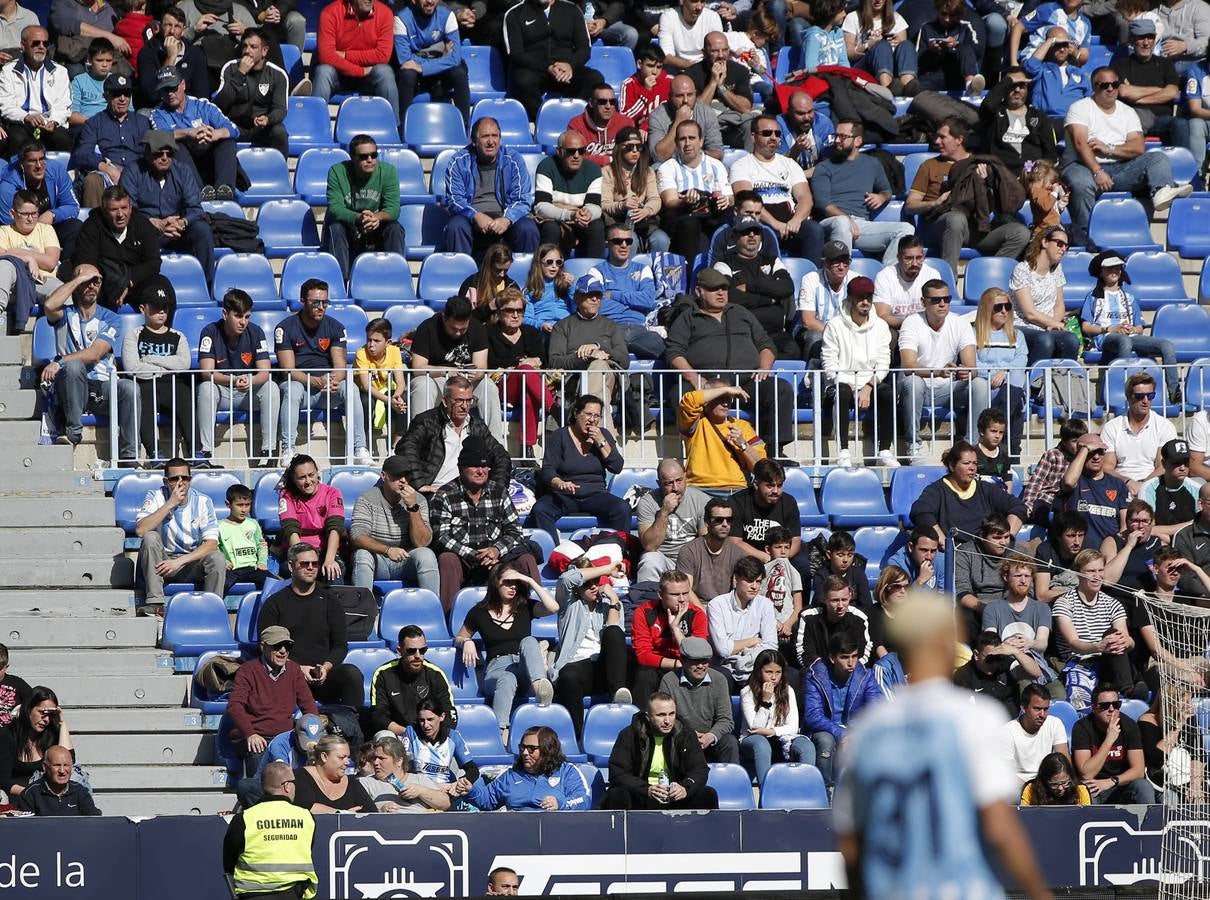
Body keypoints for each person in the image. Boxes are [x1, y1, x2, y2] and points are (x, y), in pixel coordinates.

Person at [834, 590, 1052, 899]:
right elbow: (998, 825)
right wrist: (1039, 893)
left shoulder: (868, 730)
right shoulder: (972, 717)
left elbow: (851, 843)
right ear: (946, 638)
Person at [667, 269, 797, 462]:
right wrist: (694, 378)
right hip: (708, 386)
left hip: (745, 384)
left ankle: (775, 452)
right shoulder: (687, 317)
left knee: (781, 389)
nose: (721, 293)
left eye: (724, 288)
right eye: (713, 289)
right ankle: (696, 448)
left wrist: (764, 367)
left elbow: (766, 344)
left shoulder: (741, 313)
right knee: (681, 394)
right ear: (699, 291)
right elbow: (673, 351)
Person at [1062, 65, 1191, 248]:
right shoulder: (1080, 108)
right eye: (1104, 85)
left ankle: (1161, 190)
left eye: (1115, 84)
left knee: (1157, 158)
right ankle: (1083, 236)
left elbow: (1138, 147)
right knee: (1081, 182)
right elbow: (1081, 143)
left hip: (1120, 168)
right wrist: (1097, 171)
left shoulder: (1128, 112)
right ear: (1094, 87)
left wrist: (1108, 149)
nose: (1110, 89)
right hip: (1083, 165)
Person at [429, 436, 542, 611]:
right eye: (475, 466)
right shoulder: (444, 495)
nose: (481, 471)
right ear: (461, 468)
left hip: (497, 556)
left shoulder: (500, 492)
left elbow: (514, 532)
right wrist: (474, 555)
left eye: (484, 466)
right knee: (447, 559)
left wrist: (496, 550)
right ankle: (450, 617)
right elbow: (441, 537)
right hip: (464, 559)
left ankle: (534, 611)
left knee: (526, 558)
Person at [904, 117, 1030, 274]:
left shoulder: (981, 164)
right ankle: (948, 281)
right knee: (956, 218)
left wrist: (986, 184)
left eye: (943, 137)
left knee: (1020, 233)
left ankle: (990, 276)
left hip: (973, 227)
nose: (937, 141)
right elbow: (909, 206)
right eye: (937, 137)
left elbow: (994, 208)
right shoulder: (930, 165)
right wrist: (935, 203)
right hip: (938, 226)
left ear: (959, 139)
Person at [38, 264, 137, 459]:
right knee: (74, 367)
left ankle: (129, 456)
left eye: (96, 281)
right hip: (72, 387)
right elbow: (49, 306)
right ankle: (73, 432)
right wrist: (78, 279)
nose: (91, 285)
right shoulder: (64, 315)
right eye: (85, 281)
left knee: (129, 388)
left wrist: (60, 361)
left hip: (102, 387)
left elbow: (95, 354)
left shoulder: (111, 318)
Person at [257, 542, 367, 714]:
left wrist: (325, 668)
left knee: (351, 674)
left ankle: (352, 727)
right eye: (304, 564)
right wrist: (298, 669)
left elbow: (340, 645)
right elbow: (266, 646)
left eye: (314, 564)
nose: (311, 568)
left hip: (322, 676)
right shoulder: (275, 603)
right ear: (291, 566)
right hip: (287, 674)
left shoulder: (330, 600)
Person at [276, 278, 372, 466]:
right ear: (303, 302)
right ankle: (288, 449)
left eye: (325, 302)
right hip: (301, 388)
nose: (321, 307)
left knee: (350, 388)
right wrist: (314, 381)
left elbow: (340, 366)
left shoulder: (335, 327)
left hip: (326, 389)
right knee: (292, 388)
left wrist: (332, 380)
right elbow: (288, 369)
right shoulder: (285, 328)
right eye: (316, 303)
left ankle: (360, 448)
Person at [455, 565, 557, 737]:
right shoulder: (479, 612)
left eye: (516, 583)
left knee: (529, 641)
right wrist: (466, 641)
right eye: (508, 582)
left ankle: (541, 687)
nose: (513, 587)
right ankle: (500, 733)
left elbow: (553, 607)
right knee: (507, 677)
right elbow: (459, 637)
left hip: (524, 669)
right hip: (497, 669)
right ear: (496, 583)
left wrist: (530, 580)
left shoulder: (525, 607)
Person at [897, 282, 991, 461]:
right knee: (913, 382)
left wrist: (965, 372)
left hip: (946, 390)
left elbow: (972, 368)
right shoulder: (911, 322)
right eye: (936, 300)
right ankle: (913, 446)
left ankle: (971, 447)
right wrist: (938, 372)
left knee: (979, 384)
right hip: (918, 389)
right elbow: (908, 365)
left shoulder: (960, 323)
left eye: (946, 299)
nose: (942, 304)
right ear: (924, 302)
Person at [527, 393, 629, 542]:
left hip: (595, 494)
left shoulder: (603, 435)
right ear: (576, 413)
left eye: (597, 416)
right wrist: (560, 483)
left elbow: (617, 467)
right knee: (540, 510)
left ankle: (617, 551)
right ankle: (555, 551)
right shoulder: (559, 436)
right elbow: (548, 470)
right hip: (564, 495)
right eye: (588, 414)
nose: (592, 420)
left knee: (622, 509)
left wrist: (601, 442)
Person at [1080, 252, 1180, 403]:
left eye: (1117, 268)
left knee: (1167, 346)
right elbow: (1086, 327)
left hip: (1130, 336)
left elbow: (1140, 327)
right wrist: (1108, 329)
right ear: (1101, 272)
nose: (1114, 272)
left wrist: (1133, 329)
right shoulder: (1092, 297)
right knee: (1124, 342)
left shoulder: (1130, 298)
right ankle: (1123, 392)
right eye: (1109, 269)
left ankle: (1174, 392)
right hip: (1106, 337)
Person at [119, 130, 215, 285]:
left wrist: (181, 223)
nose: (164, 158)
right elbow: (126, 211)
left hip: (177, 230)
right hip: (146, 230)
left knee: (202, 229)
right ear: (147, 152)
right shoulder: (133, 171)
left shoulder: (182, 171)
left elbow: (195, 208)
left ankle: (206, 285)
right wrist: (154, 223)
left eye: (169, 154)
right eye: (159, 153)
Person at [820, 274, 897, 467]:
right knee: (843, 391)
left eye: (869, 298)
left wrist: (869, 386)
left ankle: (885, 450)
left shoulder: (880, 326)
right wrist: (851, 384)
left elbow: (883, 361)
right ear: (849, 299)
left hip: (869, 384)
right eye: (860, 297)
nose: (865, 302)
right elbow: (829, 364)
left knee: (888, 392)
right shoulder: (834, 326)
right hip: (840, 383)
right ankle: (843, 451)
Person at [812, 118, 912, 265]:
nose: (837, 140)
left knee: (906, 229)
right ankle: (841, 279)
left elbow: (886, 190)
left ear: (858, 141)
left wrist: (882, 197)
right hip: (832, 223)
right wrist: (847, 218)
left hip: (861, 225)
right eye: (836, 136)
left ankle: (886, 277)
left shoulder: (872, 164)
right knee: (842, 223)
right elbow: (823, 203)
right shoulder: (824, 167)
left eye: (843, 137)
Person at [550, 560, 632, 737]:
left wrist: (614, 600)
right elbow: (565, 579)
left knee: (614, 632)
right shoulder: (568, 604)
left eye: (597, 581)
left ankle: (618, 693)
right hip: (577, 666)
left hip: (605, 668)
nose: (594, 586)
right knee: (567, 676)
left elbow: (615, 631)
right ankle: (577, 736)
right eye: (587, 584)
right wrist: (607, 569)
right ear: (578, 588)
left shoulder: (609, 604)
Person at [197, 288, 277, 466]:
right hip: (223, 392)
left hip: (248, 393)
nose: (243, 322)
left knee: (271, 387)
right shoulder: (209, 332)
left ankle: (268, 452)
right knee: (205, 388)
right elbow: (206, 373)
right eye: (238, 316)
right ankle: (206, 453)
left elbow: (264, 372)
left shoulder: (256, 332)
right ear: (225, 314)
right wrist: (233, 380)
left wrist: (250, 380)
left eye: (247, 317)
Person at [394, 374, 511, 497]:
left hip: (469, 493)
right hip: (436, 492)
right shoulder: (426, 421)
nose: (465, 406)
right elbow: (405, 448)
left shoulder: (477, 426)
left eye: (468, 400)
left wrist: (496, 489)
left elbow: (502, 457)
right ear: (445, 401)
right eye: (459, 400)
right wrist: (420, 484)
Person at [134, 458, 226, 610]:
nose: (180, 483)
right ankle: (155, 602)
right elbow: (141, 530)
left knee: (217, 557)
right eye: (174, 479)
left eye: (185, 478)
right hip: (162, 562)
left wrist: (179, 561)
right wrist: (170, 503)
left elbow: (211, 544)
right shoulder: (156, 496)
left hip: (190, 561)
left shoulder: (203, 501)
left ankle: (214, 608)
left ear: (191, 480)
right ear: (165, 481)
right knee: (150, 537)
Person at [227, 625, 320, 775]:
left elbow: (308, 704)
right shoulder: (247, 671)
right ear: (263, 647)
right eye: (277, 646)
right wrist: (250, 733)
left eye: (287, 645)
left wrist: (314, 733)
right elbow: (235, 706)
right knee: (258, 753)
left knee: (315, 753)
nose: (283, 650)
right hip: (258, 735)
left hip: (286, 735)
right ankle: (257, 795)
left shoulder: (294, 669)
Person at [602, 691, 719, 810]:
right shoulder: (629, 735)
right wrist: (646, 789)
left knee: (707, 794)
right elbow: (617, 773)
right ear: (648, 717)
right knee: (617, 795)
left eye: (672, 714)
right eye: (661, 715)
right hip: (642, 795)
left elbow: (700, 769)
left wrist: (685, 788)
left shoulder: (686, 735)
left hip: (676, 796)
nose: (668, 721)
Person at [443, 117, 540, 257]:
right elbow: (454, 200)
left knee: (528, 228)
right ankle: (462, 276)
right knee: (456, 226)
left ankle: (525, 277)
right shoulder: (458, 161)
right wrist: (475, 215)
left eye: (494, 136)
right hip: (472, 220)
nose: (491, 142)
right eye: (485, 136)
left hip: (504, 218)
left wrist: (507, 219)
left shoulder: (513, 160)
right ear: (474, 141)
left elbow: (522, 199)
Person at [1053, 549, 1136, 711]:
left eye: (1100, 570)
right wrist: (1098, 646)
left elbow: (1126, 639)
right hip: (1080, 661)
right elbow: (1073, 643)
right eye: (1091, 571)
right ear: (1078, 573)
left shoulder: (1113, 604)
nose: (1097, 576)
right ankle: (1128, 687)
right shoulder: (1064, 603)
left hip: (1109, 661)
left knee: (1115, 637)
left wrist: (1128, 641)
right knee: (1111, 637)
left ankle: (1127, 689)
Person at [223, 761, 318, 898]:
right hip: (293, 893)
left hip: (253, 894)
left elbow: (229, 862)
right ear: (286, 786)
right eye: (293, 782)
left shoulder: (244, 818)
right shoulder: (305, 817)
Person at [803, 631, 883, 791]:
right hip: (825, 729)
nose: (851, 663)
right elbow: (813, 715)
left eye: (854, 656)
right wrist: (841, 733)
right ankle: (824, 791)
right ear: (832, 658)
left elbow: (877, 710)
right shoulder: (815, 676)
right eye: (845, 657)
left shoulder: (866, 676)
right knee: (826, 741)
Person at [349, 456, 439, 594]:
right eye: (397, 475)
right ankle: (363, 611)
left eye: (407, 476)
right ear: (384, 476)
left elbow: (422, 542)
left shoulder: (418, 500)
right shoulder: (367, 499)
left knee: (426, 555)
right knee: (362, 555)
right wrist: (387, 550)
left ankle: (431, 609)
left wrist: (413, 508)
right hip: (379, 560)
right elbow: (357, 536)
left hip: (406, 560)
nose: (403, 480)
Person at [547, 274, 630, 423]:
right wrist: (583, 356)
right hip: (575, 383)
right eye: (589, 295)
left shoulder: (610, 325)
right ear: (577, 298)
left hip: (609, 379)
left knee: (598, 365)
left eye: (598, 295)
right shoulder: (562, 326)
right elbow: (554, 362)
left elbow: (624, 360)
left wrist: (600, 348)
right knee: (598, 381)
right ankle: (602, 438)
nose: (595, 299)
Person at [321, 134, 404, 282]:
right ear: (353, 157)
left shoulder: (389, 172)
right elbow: (335, 208)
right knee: (335, 227)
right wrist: (359, 218)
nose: (370, 160)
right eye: (364, 156)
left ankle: (397, 278)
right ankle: (340, 281)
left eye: (374, 155)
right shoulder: (337, 172)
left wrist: (376, 217)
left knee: (395, 228)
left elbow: (394, 210)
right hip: (348, 229)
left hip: (376, 227)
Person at [909, 441, 1026, 546]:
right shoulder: (937, 490)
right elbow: (920, 512)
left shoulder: (986, 489)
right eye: (966, 463)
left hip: (986, 552)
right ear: (952, 465)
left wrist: (1006, 538)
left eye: (975, 463)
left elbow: (1018, 507)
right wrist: (944, 541)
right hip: (953, 554)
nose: (972, 468)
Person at [500, 0, 602, 121]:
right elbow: (515, 54)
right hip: (534, 70)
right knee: (523, 81)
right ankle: (541, 123)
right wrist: (548, 67)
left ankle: (574, 121)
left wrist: (570, 65)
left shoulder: (572, 10)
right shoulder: (515, 13)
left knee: (595, 79)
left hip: (566, 70)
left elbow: (584, 48)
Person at [149, 65, 238, 199]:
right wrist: (188, 132)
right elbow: (160, 136)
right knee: (174, 145)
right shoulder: (158, 113)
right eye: (164, 90)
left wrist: (215, 134)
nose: (169, 94)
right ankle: (198, 192)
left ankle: (224, 190)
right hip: (184, 166)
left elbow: (234, 129)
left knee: (227, 141)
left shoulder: (203, 105)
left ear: (183, 84)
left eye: (173, 88)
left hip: (210, 162)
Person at [70, 72, 150, 210]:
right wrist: (107, 168)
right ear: (106, 96)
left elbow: (151, 152)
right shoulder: (94, 122)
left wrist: (132, 172)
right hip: (108, 173)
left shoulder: (142, 122)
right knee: (92, 180)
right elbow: (82, 154)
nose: (123, 99)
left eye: (127, 94)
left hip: (137, 172)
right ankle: (94, 227)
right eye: (117, 94)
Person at [656, 119, 733, 261]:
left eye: (692, 138)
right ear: (676, 142)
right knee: (691, 226)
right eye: (682, 139)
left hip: (712, 216)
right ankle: (693, 277)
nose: (687, 143)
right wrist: (685, 201)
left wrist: (726, 199)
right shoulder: (667, 167)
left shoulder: (716, 165)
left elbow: (730, 196)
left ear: (701, 141)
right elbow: (670, 201)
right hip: (683, 216)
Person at [466, 724, 592, 810]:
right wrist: (470, 790)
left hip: (559, 831)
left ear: (547, 750)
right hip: (519, 832)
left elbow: (584, 799)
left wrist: (559, 803)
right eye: (523, 747)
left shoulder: (568, 772)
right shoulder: (511, 776)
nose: (525, 753)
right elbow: (487, 800)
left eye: (532, 749)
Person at [631, 569, 709, 707]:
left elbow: (697, 655)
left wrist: (675, 629)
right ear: (660, 594)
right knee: (645, 675)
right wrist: (676, 664)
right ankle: (642, 723)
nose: (681, 599)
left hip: (689, 668)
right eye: (674, 594)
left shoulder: (697, 614)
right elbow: (643, 656)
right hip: (657, 667)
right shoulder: (644, 612)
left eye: (685, 593)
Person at [658, 635, 741, 764]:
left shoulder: (719, 679)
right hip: (682, 737)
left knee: (729, 742)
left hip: (711, 738)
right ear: (683, 661)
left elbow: (726, 720)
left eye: (705, 661)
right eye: (695, 662)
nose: (701, 666)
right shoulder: (669, 680)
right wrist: (687, 734)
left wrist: (711, 736)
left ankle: (730, 783)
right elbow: (665, 718)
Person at [313, 0, 397, 120]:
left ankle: (393, 128)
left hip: (370, 75)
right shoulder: (330, 13)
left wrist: (345, 55)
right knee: (323, 71)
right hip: (339, 73)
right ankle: (315, 125)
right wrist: (360, 71)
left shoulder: (385, 13)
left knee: (385, 72)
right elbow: (326, 56)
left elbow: (383, 55)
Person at [677, 378, 765, 493]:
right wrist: (726, 389)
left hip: (736, 489)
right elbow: (689, 400)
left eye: (728, 398)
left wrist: (743, 444)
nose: (725, 403)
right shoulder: (695, 422)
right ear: (707, 400)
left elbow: (761, 467)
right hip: (699, 489)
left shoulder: (743, 426)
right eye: (720, 398)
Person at [738, 649, 813, 784]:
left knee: (806, 745)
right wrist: (765, 702)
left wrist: (772, 731)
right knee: (761, 744)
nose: (774, 677)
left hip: (781, 738)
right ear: (759, 671)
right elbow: (755, 727)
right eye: (769, 672)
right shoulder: (747, 692)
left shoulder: (788, 690)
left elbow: (793, 726)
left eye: (778, 672)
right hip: (752, 740)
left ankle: (807, 790)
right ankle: (767, 792)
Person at [1072, 683, 1155, 803]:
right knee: (1085, 791)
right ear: (1094, 708)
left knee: (1143, 787)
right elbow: (1087, 774)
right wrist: (1109, 740)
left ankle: (1150, 822)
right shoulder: (1082, 728)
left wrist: (1111, 781)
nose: (1111, 709)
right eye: (1105, 706)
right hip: (1094, 786)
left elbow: (1138, 771)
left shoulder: (1129, 726)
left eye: (1116, 705)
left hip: (1120, 784)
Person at [592, 223, 663, 362]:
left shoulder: (643, 269)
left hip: (640, 330)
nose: (624, 245)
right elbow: (598, 306)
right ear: (607, 244)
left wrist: (613, 295)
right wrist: (634, 301)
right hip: (610, 330)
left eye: (628, 241)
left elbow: (648, 300)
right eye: (618, 241)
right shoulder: (596, 271)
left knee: (667, 354)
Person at [212, 28, 288, 158]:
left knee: (279, 131)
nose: (247, 51)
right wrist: (240, 74)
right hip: (234, 125)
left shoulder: (277, 74)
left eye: (253, 47)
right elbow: (220, 104)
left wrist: (268, 119)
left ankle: (278, 172)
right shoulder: (230, 68)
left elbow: (280, 109)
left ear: (264, 51)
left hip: (261, 128)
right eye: (245, 46)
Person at [707, 555, 778, 691]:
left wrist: (743, 653)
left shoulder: (765, 605)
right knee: (721, 678)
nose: (754, 586)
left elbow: (771, 647)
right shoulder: (717, 605)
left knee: (779, 675)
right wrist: (753, 641)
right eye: (749, 581)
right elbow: (723, 650)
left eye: (758, 581)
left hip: (753, 666)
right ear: (736, 579)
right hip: (723, 667)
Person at [728, 458, 809, 576]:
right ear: (756, 484)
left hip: (782, 553)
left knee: (803, 567)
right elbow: (735, 542)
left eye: (779, 485)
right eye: (770, 486)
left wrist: (781, 559)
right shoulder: (737, 501)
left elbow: (795, 540)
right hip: (749, 554)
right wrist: (765, 557)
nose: (776, 491)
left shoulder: (789, 502)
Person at [370, 624, 456, 735]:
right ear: (399, 651)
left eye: (422, 650)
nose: (418, 656)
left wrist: (431, 735)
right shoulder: (383, 674)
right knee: (384, 735)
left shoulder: (435, 674)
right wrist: (409, 733)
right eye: (411, 651)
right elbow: (378, 717)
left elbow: (450, 713)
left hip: (430, 734)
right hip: (398, 735)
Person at [1100, 371, 1177, 494]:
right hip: (1119, 485)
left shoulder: (1165, 426)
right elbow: (1107, 467)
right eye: (1140, 396)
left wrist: (1144, 485)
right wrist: (1128, 482)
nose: (1146, 401)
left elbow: (1163, 466)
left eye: (1150, 396)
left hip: (1154, 485)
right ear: (1128, 396)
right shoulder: (1112, 427)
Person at [393, 0, 469, 124]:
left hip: (435, 70)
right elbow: (405, 59)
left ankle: (465, 126)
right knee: (407, 73)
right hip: (418, 76)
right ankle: (404, 126)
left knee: (459, 71)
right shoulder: (401, 19)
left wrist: (424, 68)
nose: (429, 1)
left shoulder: (448, 15)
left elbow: (455, 58)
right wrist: (442, 59)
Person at [974, 288, 1028, 459]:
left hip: (1010, 384)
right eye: (998, 307)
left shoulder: (1017, 334)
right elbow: (973, 362)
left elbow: (1022, 359)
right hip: (987, 385)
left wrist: (1004, 372)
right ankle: (1012, 450)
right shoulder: (974, 333)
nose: (1004, 311)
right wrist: (993, 374)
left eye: (1007, 306)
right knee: (1015, 401)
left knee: (1016, 380)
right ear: (986, 308)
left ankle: (1003, 438)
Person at [534, 130, 605, 259]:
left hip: (580, 219)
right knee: (551, 228)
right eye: (571, 151)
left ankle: (596, 271)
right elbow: (541, 206)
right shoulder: (546, 166)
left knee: (597, 226)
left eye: (581, 151)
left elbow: (595, 206)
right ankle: (547, 273)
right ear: (559, 152)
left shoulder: (593, 170)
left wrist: (587, 214)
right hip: (558, 219)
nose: (576, 156)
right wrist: (570, 215)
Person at [0, 26, 71, 154]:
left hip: (49, 122)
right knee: (17, 139)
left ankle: (62, 174)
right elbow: (5, 105)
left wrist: (54, 122)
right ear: (23, 45)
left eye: (45, 43)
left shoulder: (60, 71)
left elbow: (64, 105)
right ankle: (18, 174)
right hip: (21, 123)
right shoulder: (8, 70)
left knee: (62, 139)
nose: (41, 47)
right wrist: (26, 117)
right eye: (36, 43)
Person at [277, 453, 347, 581]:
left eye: (311, 475)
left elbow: (335, 528)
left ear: (317, 473)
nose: (308, 481)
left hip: (326, 551)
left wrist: (330, 560)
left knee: (333, 571)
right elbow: (290, 530)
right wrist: (303, 561)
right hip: (299, 551)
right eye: (302, 477)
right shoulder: (286, 496)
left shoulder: (332, 493)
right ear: (294, 478)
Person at [599, 125, 667, 253]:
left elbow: (655, 199)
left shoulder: (648, 172)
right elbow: (604, 204)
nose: (635, 151)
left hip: (643, 220)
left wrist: (647, 210)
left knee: (661, 239)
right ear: (619, 149)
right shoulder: (607, 172)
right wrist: (622, 205)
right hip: (618, 221)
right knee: (631, 240)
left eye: (639, 147)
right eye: (630, 147)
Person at [1057, 432, 1130, 548]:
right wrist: (1085, 448)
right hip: (1080, 552)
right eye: (1091, 453)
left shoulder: (1118, 484)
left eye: (1100, 452)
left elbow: (1125, 525)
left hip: (1109, 552)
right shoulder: (1076, 480)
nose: (1096, 457)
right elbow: (1068, 482)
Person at [980, 66, 1059, 173]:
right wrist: (1007, 81)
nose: (1017, 90)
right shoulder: (994, 114)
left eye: (1021, 86)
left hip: (1032, 176)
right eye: (1012, 85)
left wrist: (1038, 173)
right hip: (1001, 174)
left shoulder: (1039, 117)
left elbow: (1050, 154)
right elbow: (987, 105)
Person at [0, 686, 72, 800]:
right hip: (19, 796)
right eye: (43, 713)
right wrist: (33, 793)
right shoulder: (6, 735)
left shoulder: (51, 733)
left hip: (49, 797)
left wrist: (62, 723)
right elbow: (3, 781)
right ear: (28, 709)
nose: (47, 720)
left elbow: (68, 760)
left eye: (51, 715)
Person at [0, 189, 62, 321]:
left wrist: (14, 252)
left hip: (43, 280)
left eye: (34, 214)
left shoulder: (46, 230)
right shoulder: (4, 232)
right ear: (13, 214)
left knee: (65, 296)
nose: (30, 219)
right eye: (25, 214)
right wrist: (28, 259)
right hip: (14, 285)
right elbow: (1, 256)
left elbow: (50, 262)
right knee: (5, 265)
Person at [1117, 18, 1182, 139]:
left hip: (1162, 120)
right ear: (1132, 39)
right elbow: (1124, 92)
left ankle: (1185, 158)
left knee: (1181, 124)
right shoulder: (1121, 65)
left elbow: (1173, 93)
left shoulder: (1166, 64)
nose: (1146, 43)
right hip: (1133, 119)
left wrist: (1137, 99)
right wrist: (1160, 89)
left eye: (1150, 37)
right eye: (1141, 37)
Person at [676, 497, 749, 605]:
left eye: (729, 520)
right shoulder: (689, 551)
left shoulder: (739, 554)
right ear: (706, 522)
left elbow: (740, 591)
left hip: (725, 609)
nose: (725, 524)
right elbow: (685, 589)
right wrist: (702, 612)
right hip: (696, 608)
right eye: (719, 520)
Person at [1138, 690, 1205, 804]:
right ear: (1171, 700)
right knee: (1171, 800)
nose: (1190, 705)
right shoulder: (1147, 720)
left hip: (1187, 779)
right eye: (1185, 701)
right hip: (1161, 782)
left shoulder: (1190, 718)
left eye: (1191, 700)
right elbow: (1156, 759)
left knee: (1199, 798)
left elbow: (1197, 755)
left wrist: (1195, 786)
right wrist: (1178, 726)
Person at [359, 731, 453, 812]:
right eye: (374, 758)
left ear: (399, 761)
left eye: (381, 758)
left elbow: (445, 804)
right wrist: (379, 811)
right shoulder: (365, 783)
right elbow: (355, 813)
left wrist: (420, 791)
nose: (375, 762)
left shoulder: (419, 780)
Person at [794, 575, 874, 668]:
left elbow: (864, 653)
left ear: (850, 596)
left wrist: (845, 669)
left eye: (844, 600)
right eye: (835, 600)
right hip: (818, 673)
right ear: (824, 598)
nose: (840, 605)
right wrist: (825, 672)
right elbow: (804, 653)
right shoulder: (808, 617)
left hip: (851, 672)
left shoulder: (859, 618)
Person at [954, 514, 1016, 634]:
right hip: (979, 606)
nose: (1003, 542)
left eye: (1006, 537)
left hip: (1011, 605)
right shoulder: (965, 553)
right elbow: (962, 591)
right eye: (997, 538)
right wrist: (988, 609)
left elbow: (1028, 589)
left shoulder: (1018, 553)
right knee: (965, 615)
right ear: (982, 536)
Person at [136, 7, 209, 109]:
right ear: (160, 26)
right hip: (157, 107)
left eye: (177, 26)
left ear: (184, 30)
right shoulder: (147, 53)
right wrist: (170, 58)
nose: (172, 31)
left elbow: (202, 95)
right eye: (168, 25)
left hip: (187, 108)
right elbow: (151, 94)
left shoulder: (195, 54)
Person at [954, 630, 1040, 716]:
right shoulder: (963, 676)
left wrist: (1016, 652)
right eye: (990, 659)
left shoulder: (1005, 664)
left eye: (998, 658)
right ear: (977, 655)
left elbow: (1035, 673)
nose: (995, 664)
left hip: (1011, 724)